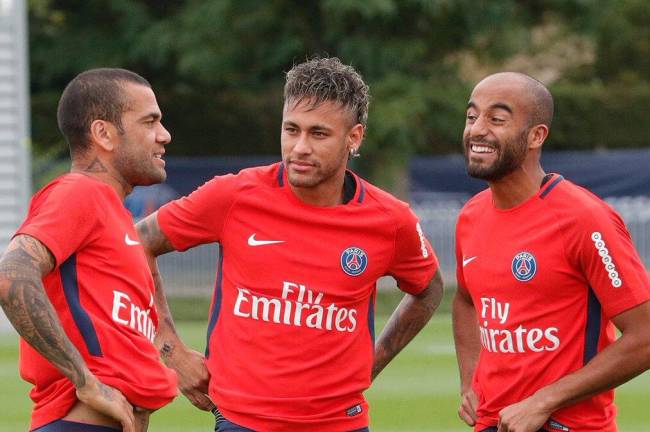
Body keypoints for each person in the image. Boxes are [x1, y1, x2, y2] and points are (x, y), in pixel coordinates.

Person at [135, 57, 443, 432]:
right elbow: (135, 243)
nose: (299, 147)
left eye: (318, 134)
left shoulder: (391, 219)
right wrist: (171, 351)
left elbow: (428, 289)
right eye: (291, 130)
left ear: (354, 137)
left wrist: (372, 362)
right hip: (242, 422)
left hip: (340, 424)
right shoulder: (234, 195)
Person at [452, 71, 650, 432]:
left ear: (536, 136)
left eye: (496, 119)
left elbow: (645, 336)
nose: (477, 129)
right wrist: (470, 379)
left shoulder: (584, 218)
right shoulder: (471, 216)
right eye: (471, 116)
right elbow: (465, 300)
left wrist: (543, 401)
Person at [0, 68, 177, 432]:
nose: (164, 135)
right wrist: (85, 380)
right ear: (104, 134)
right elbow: (11, 273)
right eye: (150, 122)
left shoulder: (114, 215)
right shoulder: (81, 192)